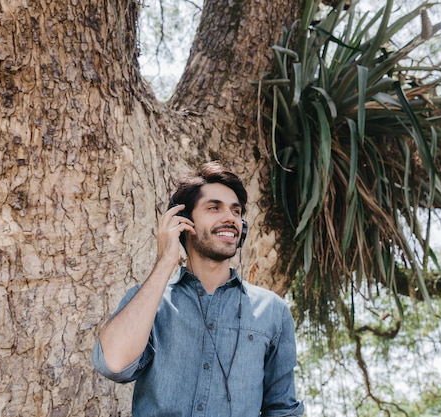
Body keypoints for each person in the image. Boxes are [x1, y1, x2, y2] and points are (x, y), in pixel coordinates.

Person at [92, 162, 304, 417]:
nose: (230, 218)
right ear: (184, 222)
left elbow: (282, 410)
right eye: (214, 207)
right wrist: (164, 262)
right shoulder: (150, 302)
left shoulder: (272, 311)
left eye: (236, 212)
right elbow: (113, 364)